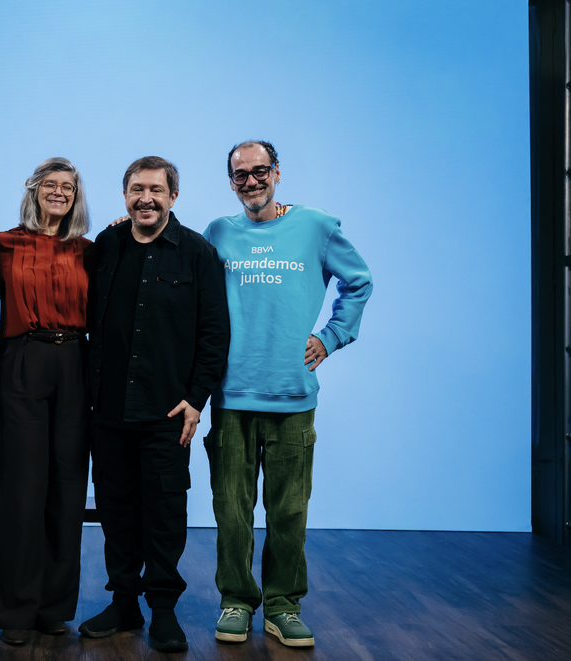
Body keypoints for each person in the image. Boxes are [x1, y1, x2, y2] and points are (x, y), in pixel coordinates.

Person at [202, 140, 372, 648]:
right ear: (230, 182)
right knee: (232, 511)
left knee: (289, 511)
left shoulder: (316, 226)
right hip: (231, 396)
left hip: (292, 395)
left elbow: (359, 281)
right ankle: (236, 600)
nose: (251, 181)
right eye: (241, 174)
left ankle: (282, 605)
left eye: (260, 171)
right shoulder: (217, 233)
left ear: (277, 173)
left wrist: (332, 336)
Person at [81, 156, 230, 652]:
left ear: (173, 196)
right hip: (108, 411)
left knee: (164, 513)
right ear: (125, 195)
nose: (146, 198)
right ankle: (124, 604)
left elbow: (214, 333)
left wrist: (195, 399)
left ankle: (163, 610)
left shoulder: (198, 253)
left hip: (167, 413)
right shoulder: (107, 245)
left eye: (156, 190)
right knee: (116, 512)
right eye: (136, 189)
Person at [0, 157, 93, 646]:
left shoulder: (90, 250)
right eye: (50, 184)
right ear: (33, 191)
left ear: (76, 196)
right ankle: (16, 608)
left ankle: (53, 607)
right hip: (21, 360)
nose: (58, 193)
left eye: (67, 187)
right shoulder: (3, 244)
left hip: (74, 362)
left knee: (68, 487)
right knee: (21, 488)